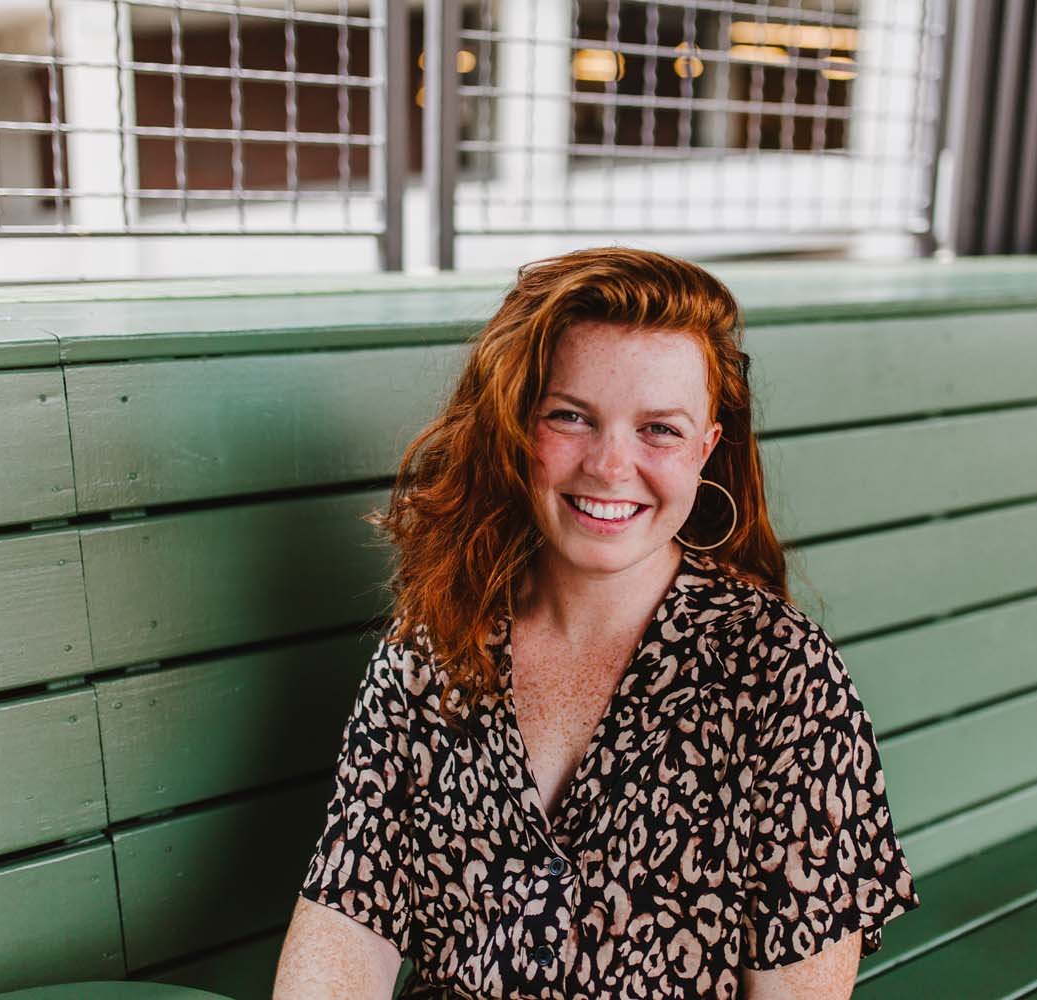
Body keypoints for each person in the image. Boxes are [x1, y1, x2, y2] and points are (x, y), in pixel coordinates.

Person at [274, 247, 920, 999]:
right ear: (516, 427)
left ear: (706, 449)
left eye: (660, 429)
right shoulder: (440, 639)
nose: (611, 466)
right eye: (571, 417)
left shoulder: (780, 674)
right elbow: (350, 916)